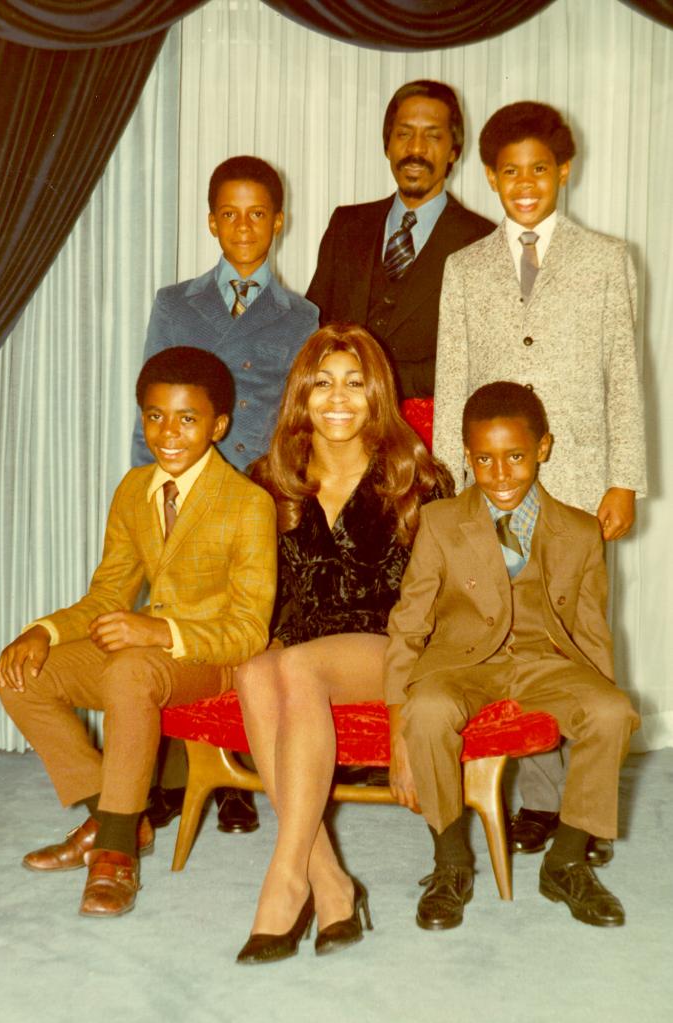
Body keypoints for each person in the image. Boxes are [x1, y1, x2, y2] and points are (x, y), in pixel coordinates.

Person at [431, 101, 646, 858]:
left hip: (578, 481)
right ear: (489, 177)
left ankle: (578, 813)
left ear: (564, 171)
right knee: (506, 634)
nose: (525, 184)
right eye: (509, 172)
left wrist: (622, 477)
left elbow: (624, 371)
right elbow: (451, 377)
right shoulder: (464, 268)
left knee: (577, 641)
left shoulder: (605, 258)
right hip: (491, 483)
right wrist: (449, 485)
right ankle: (538, 797)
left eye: (539, 169)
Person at [0, 347, 277, 917]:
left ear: (219, 425)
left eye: (187, 418)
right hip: (145, 664)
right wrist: (44, 631)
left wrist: (159, 632)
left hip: (211, 659)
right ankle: (116, 816)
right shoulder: (133, 489)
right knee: (23, 676)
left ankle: (115, 855)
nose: (168, 433)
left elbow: (248, 630)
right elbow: (106, 596)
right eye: (154, 416)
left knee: (129, 669)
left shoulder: (249, 504)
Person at [234, 324, 452, 964]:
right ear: (300, 397)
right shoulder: (269, 481)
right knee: (253, 669)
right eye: (322, 383)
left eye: (355, 384)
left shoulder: (418, 479)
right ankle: (331, 883)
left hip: (392, 649)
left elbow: (441, 610)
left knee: (297, 666)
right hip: (305, 648)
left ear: (377, 394)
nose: (338, 398)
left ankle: (285, 879)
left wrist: (408, 719)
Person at [386, 381, 639, 931]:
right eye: (484, 460)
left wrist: (596, 702)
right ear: (467, 454)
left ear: (543, 449)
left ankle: (568, 859)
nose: (500, 475)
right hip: (460, 664)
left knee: (613, 710)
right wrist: (395, 723)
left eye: (516, 457)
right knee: (426, 711)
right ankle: (450, 862)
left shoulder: (579, 531)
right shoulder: (441, 523)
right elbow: (408, 626)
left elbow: (592, 630)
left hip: (543, 661)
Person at [132, 156, 318, 833]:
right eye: (230, 214)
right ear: (212, 221)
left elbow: (297, 422)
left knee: (242, 629)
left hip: (254, 497)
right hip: (181, 489)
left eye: (257, 214)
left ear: (278, 222)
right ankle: (162, 774)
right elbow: (146, 410)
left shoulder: (302, 316)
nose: (244, 226)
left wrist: (289, 499)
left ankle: (235, 776)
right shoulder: (174, 303)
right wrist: (142, 497)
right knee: (166, 623)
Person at [306, 80, 494, 399]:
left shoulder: (484, 241)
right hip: (342, 428)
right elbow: (313, 328)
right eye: (404, 134)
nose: (416, 150)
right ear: (388, 145)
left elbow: (479, 359)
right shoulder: (345, 225)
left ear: (453, 151)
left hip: (428, 435)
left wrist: (376, 381)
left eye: (432, 136)